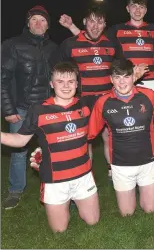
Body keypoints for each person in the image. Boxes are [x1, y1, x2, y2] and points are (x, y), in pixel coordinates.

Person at [1, 62, 99, 232]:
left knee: (93, 222)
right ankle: (63, 207)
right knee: (59, 231)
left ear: (77, 84)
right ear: (51, 84)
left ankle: (76, 202)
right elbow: (20, 140)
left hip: (83, 175)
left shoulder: (85, 105)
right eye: (60, 81)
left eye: (71, 81)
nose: (66, 86)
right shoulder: (39, 110)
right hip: (55, 180)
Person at [88, 58, 154, 216]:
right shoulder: (103, 103)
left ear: (133, 76)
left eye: (126, 77)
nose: (122, 82)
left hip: (148, 162)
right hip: (121, 165)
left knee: (151, 210)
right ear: (111, 79)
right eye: (117, 77)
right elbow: (89, 133)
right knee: (127, 214)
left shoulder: (149, 96)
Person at [1, 5, 59, 209]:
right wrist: (8, 110)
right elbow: (3, 79)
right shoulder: (12, 45)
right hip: (22, 109)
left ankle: (57, 186)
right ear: (27, 23)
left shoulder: (53, 48)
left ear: (47, 25)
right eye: (34, 19)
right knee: (19, 151)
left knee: (52, 149)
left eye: (42, 20)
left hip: (46, 109)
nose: (38, 23)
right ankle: (16, 190)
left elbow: (59, 78)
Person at [52, 6, 118, 181]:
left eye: (100, 22)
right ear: (84, 23)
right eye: (91, 21)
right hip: (82, 100)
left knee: (109, 136)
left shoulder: (111, 44)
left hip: (106, 99)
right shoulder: (70, 44)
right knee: (83, 139)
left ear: (105, 24)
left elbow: (120, 70)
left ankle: (113, 170)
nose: (95, 26)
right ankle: (85, 174)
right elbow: (59, 71)